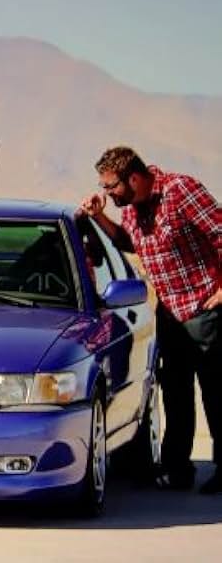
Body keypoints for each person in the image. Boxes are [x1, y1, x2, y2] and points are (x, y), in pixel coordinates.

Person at [80, 145, 221, 494]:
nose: (107, 193)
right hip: (169, 315)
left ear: (134, 178)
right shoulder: (131, 209)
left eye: (111, 187)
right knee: (175, 393)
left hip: (205, 309)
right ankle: (177, 470)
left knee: (217, 393)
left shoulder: (180, 191)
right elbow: (131, 242)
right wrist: (100, 217)